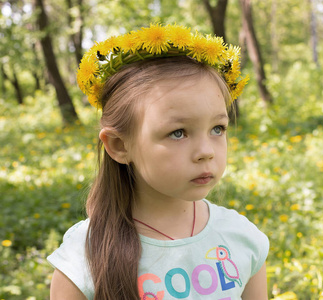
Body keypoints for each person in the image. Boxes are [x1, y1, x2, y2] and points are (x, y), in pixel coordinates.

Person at [47, 24, 269, 300]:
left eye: (217, 129)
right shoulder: (84, 258)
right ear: (119, 145)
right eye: (178, 133)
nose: (206, 151)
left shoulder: (242, 239)